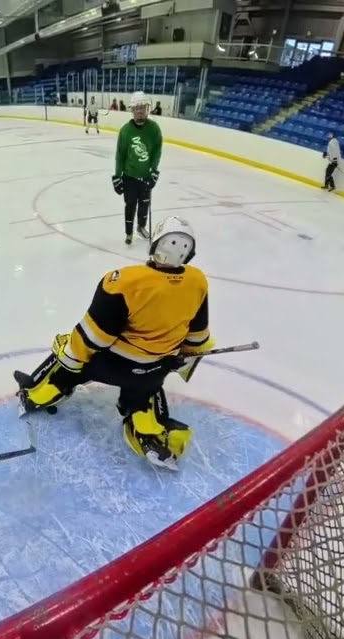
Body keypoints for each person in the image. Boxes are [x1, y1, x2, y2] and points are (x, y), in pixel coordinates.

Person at [14, 217, 212, 470]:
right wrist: (179, 359)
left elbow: (93, 337)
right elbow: (198, 337)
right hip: (152, 370)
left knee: (67, 350)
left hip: (109, 366)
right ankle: (149, 434)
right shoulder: (197, 281)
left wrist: (71, 362)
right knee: (148, 388)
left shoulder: (124, 282)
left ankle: (37, 394)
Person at [112, 91, 163, 246]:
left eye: (142, 108)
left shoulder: (154, 129)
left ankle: (141, 227)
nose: (139, 111)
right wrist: (117, 175)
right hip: (129, 176)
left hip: (146, 175)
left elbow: (157, 151)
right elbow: (120, 154)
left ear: (147, 109)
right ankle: (129, 233)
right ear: (132, 110)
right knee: (130, 205)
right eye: (136, 108)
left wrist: (154, 170)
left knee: (144, 203)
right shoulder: (125, 130)